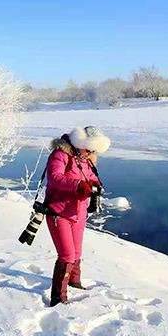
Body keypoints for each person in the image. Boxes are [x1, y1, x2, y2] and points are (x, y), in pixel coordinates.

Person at [44, 126, 110, 307]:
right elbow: (54, 177)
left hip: (78, 213)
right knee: (67, 254)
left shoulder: (85, 159)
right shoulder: (61, 155)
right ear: (80, 142)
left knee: (77, 253)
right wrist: (78, 185)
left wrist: (95, 184)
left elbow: (89, 177)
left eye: (93, 150)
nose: (90, 153)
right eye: (89, 148)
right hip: (59, 212)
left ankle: (74, 283)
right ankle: (58, 298)